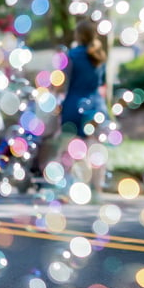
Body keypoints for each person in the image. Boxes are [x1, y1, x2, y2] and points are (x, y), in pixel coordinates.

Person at [59, 20, 108, 202]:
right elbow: (101, 83)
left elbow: (62, 82)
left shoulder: (71, 55)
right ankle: (96, 189)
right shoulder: (100, 56)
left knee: (69, 150)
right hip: (96, 106)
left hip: (74, 105)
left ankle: (68, 189)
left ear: (78, 35)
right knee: (95, 149)